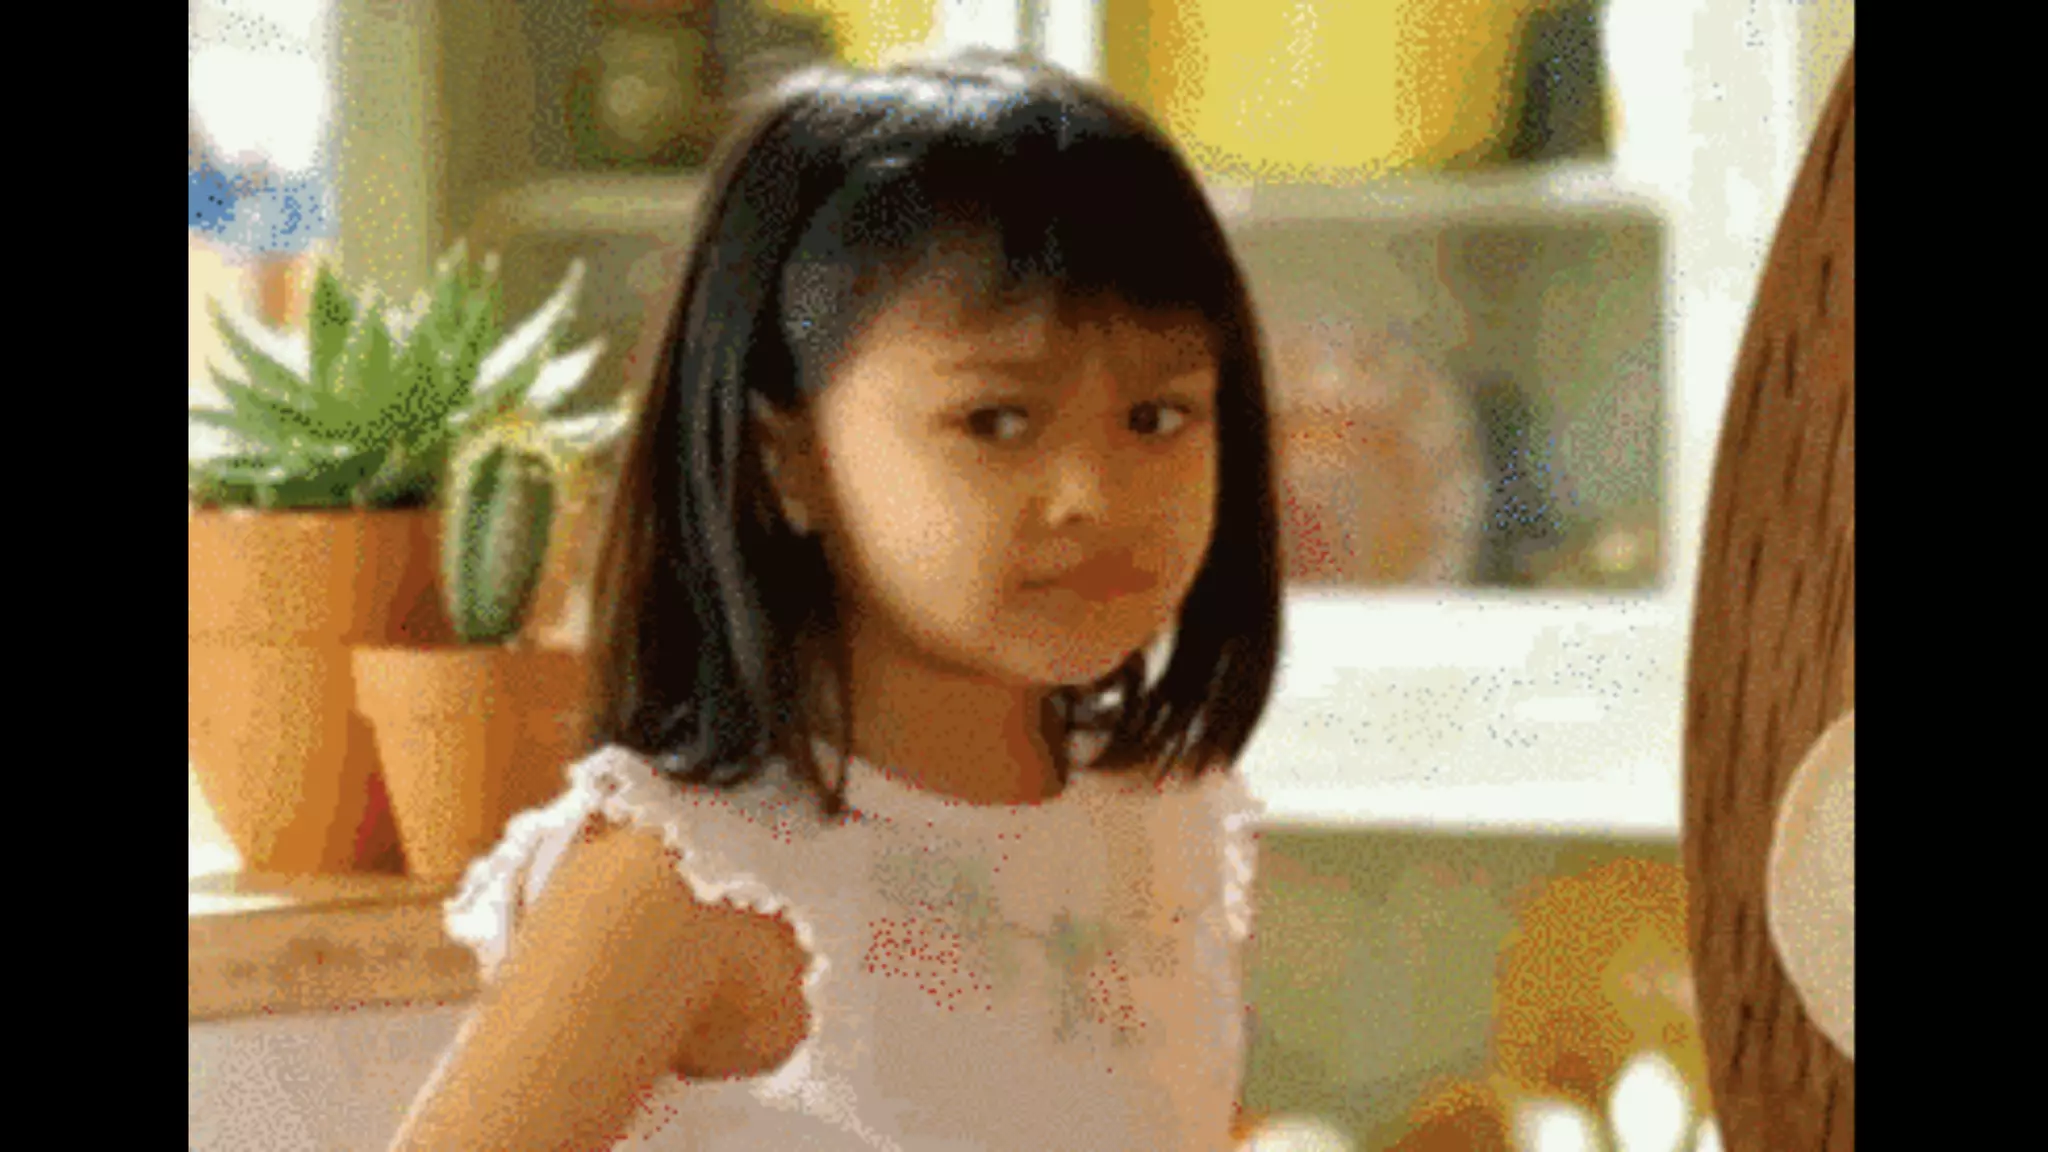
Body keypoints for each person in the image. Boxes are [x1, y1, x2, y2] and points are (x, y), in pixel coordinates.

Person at [391, 49, 1283, 1151]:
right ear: (788, 459)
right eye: (997, 421)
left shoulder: (1167, 819)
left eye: (1157, 418)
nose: (1092, 495)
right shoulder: (689, 878)